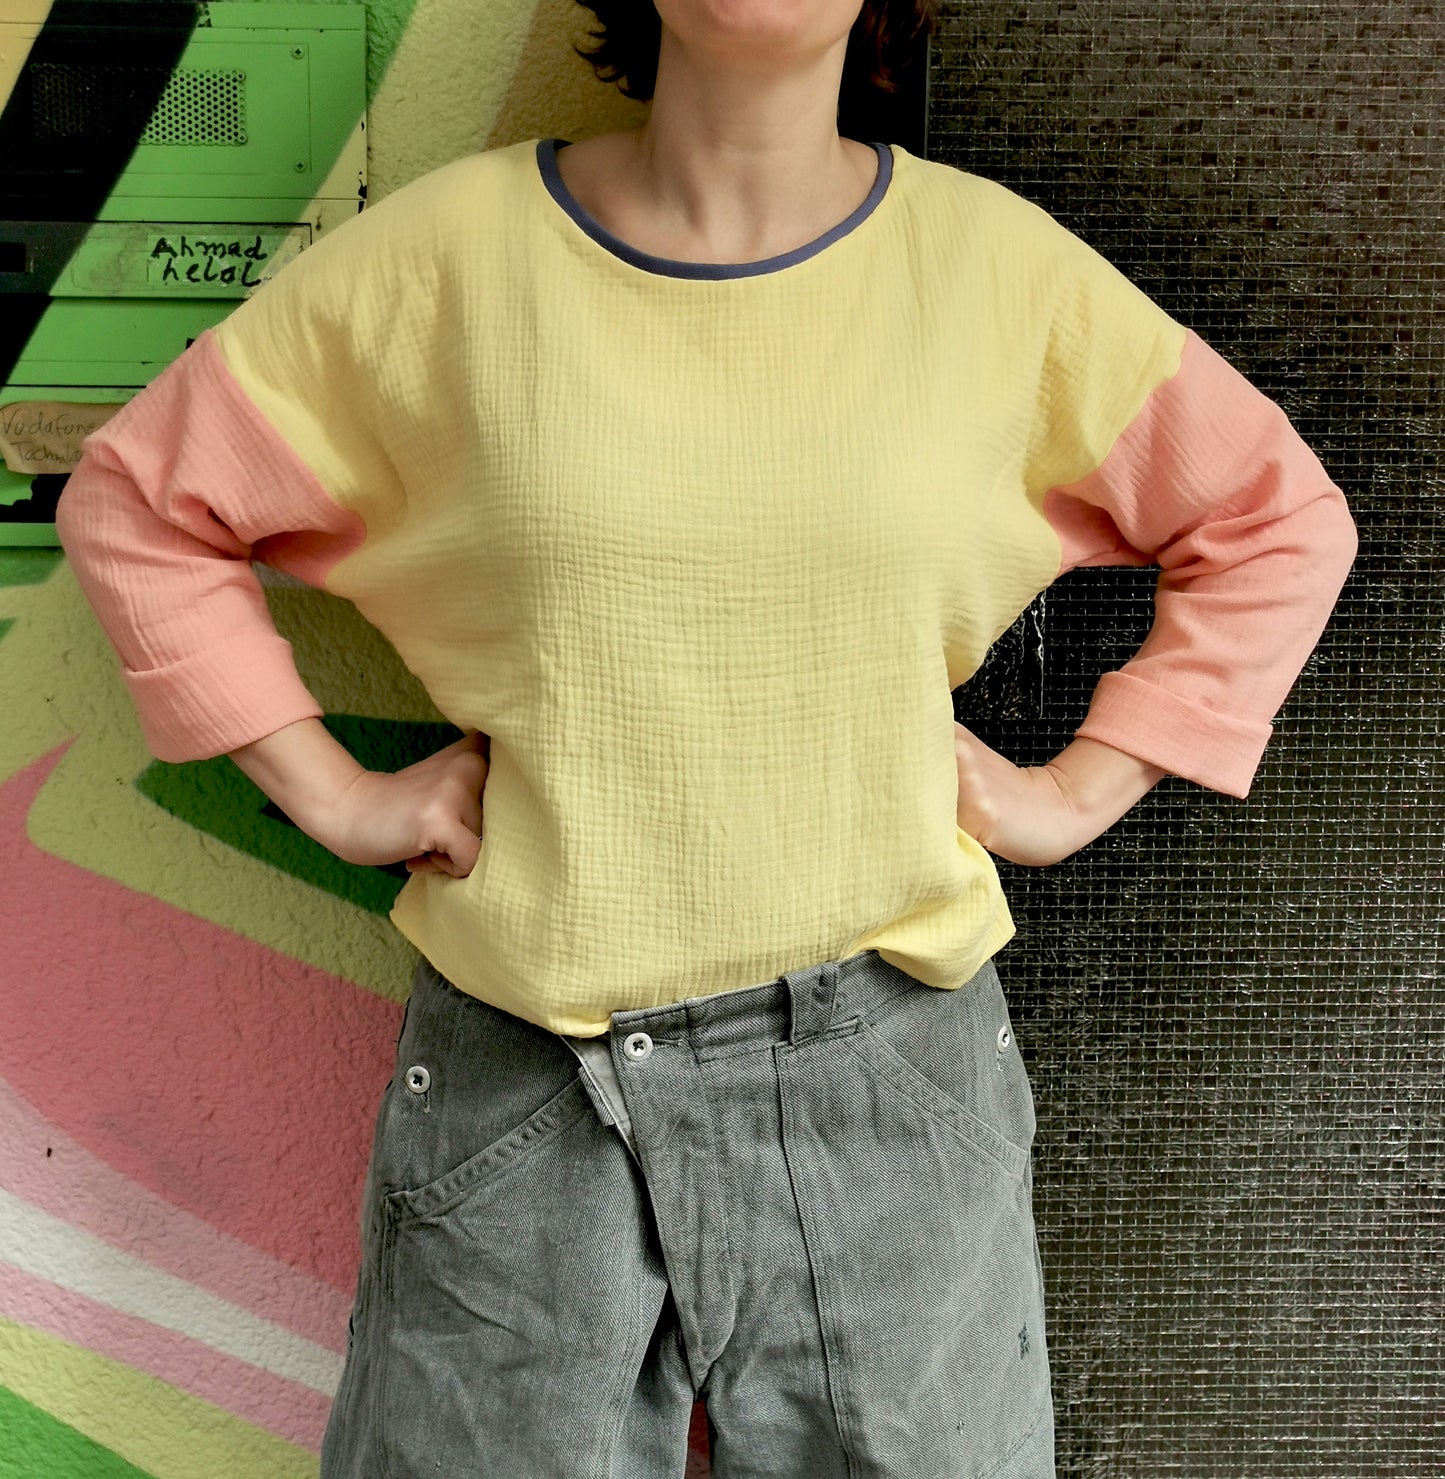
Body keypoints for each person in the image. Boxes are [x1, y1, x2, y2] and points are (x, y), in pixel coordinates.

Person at [55, 1, 1357, 1474]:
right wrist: (334, 797)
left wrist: (1076, 792)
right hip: (528, 1082)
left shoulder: (996, 273)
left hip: (889, 1076)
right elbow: (141, 501)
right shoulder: (446, 259)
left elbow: (1273, 520)